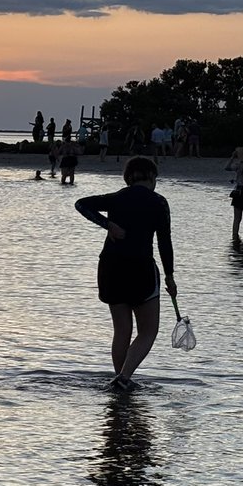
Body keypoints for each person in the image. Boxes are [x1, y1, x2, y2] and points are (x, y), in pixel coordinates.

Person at [74, 156, 177, 390]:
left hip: (111, 267)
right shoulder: (159, 202)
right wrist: (170, 276)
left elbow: (81, 204)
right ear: (152, 177)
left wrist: (107, 224)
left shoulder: (117, 198)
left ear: (128, 178)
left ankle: (120, 380)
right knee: (148, 331)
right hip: (140, 268)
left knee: (121, 330)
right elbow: (164, 242)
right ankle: (123, 378)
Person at [226, 146, 243, 242]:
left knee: (237, 219)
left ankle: (235, 238)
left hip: (240, 192)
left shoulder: (239, 165)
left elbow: (227, 167)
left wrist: (232, 157)